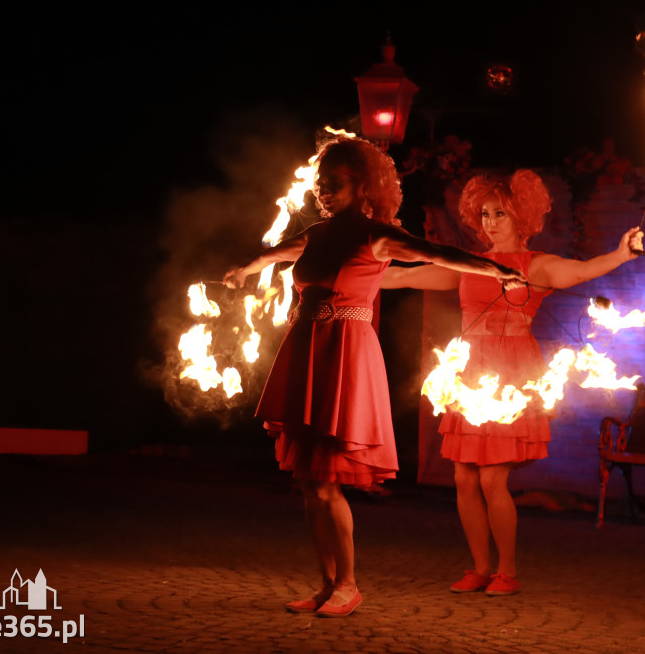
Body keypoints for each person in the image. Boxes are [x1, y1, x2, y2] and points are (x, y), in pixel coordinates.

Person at [223, 137, 525, 617]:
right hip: (307, 349)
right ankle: (325, 584)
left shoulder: (376, 236)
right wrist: (248, 267)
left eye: (334, 184)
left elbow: (438, 254)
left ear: (362, 186)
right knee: (307, 481)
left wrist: (494, 269)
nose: (323, 191)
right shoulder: (318, 235)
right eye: (321, 184)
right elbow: (281, 252)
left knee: (326, 480)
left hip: (346, 353)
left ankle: (348, 585)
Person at [382, 169, 643, 596]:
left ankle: (507, 571)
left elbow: (582, 271)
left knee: (491, 480)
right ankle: (480, 568)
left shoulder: (535, 265)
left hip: (510, 373)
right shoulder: (466, 264)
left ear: (520, 215)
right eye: (484, 214)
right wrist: (351, 269)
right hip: (469, 373)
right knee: (464, 479)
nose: (489, 222)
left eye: (499, 213)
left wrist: (619, 254)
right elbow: (402, 275)